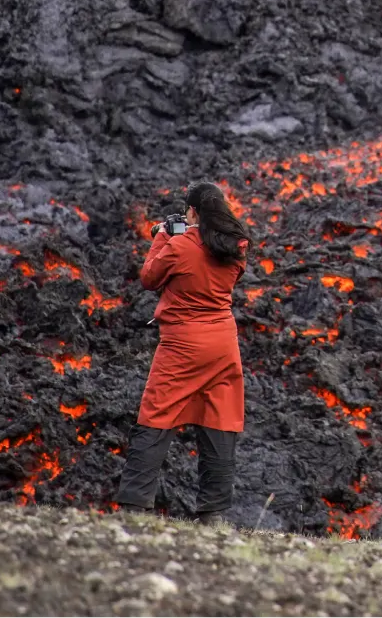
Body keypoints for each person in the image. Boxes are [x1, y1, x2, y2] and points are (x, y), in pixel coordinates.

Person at [116, 182, 249, 520]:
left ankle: (134, 506)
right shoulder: (235, 246)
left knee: (157, 415)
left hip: (182, 346)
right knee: (220, 420)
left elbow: (149, 277)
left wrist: (163, 236)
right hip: (223, 345)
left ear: (192, 213)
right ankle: (212, 515)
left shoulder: (179, 246)